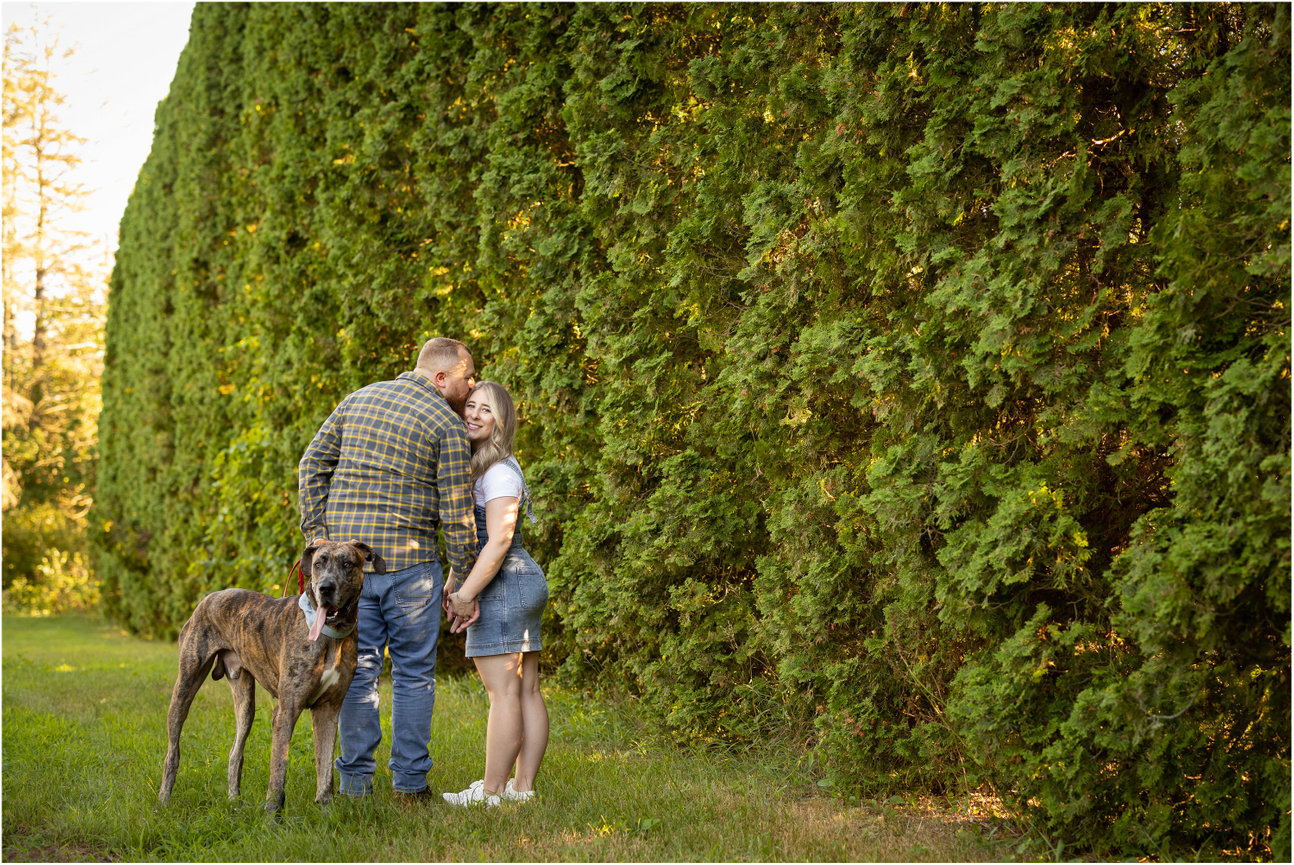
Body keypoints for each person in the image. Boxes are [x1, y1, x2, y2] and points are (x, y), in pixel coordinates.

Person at [298, 336, 479, 798]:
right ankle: (409, 787)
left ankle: (355, 784)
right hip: (410, 571)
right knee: (413, 676)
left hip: (346, 573)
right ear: (441, 378)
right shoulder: (446, 424)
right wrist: (464, 582)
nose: (471, 386)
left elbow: (311, 464)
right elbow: (457, 512)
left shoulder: (358, 399)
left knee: (357, 673)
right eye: (467, 377)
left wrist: (317, 536)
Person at [442, 380, 550, 807]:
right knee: (525, 690)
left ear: (500, 421)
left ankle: (492, 793)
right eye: (470, 405)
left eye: (486, 410)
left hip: (505, 583)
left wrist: (467, 593)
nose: (473, 414)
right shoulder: (489, 466)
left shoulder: (500, 471)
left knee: (505, 692)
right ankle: (521, 791)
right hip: (516, 580)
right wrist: (456, 576)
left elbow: (499, 541)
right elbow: (478, 541)